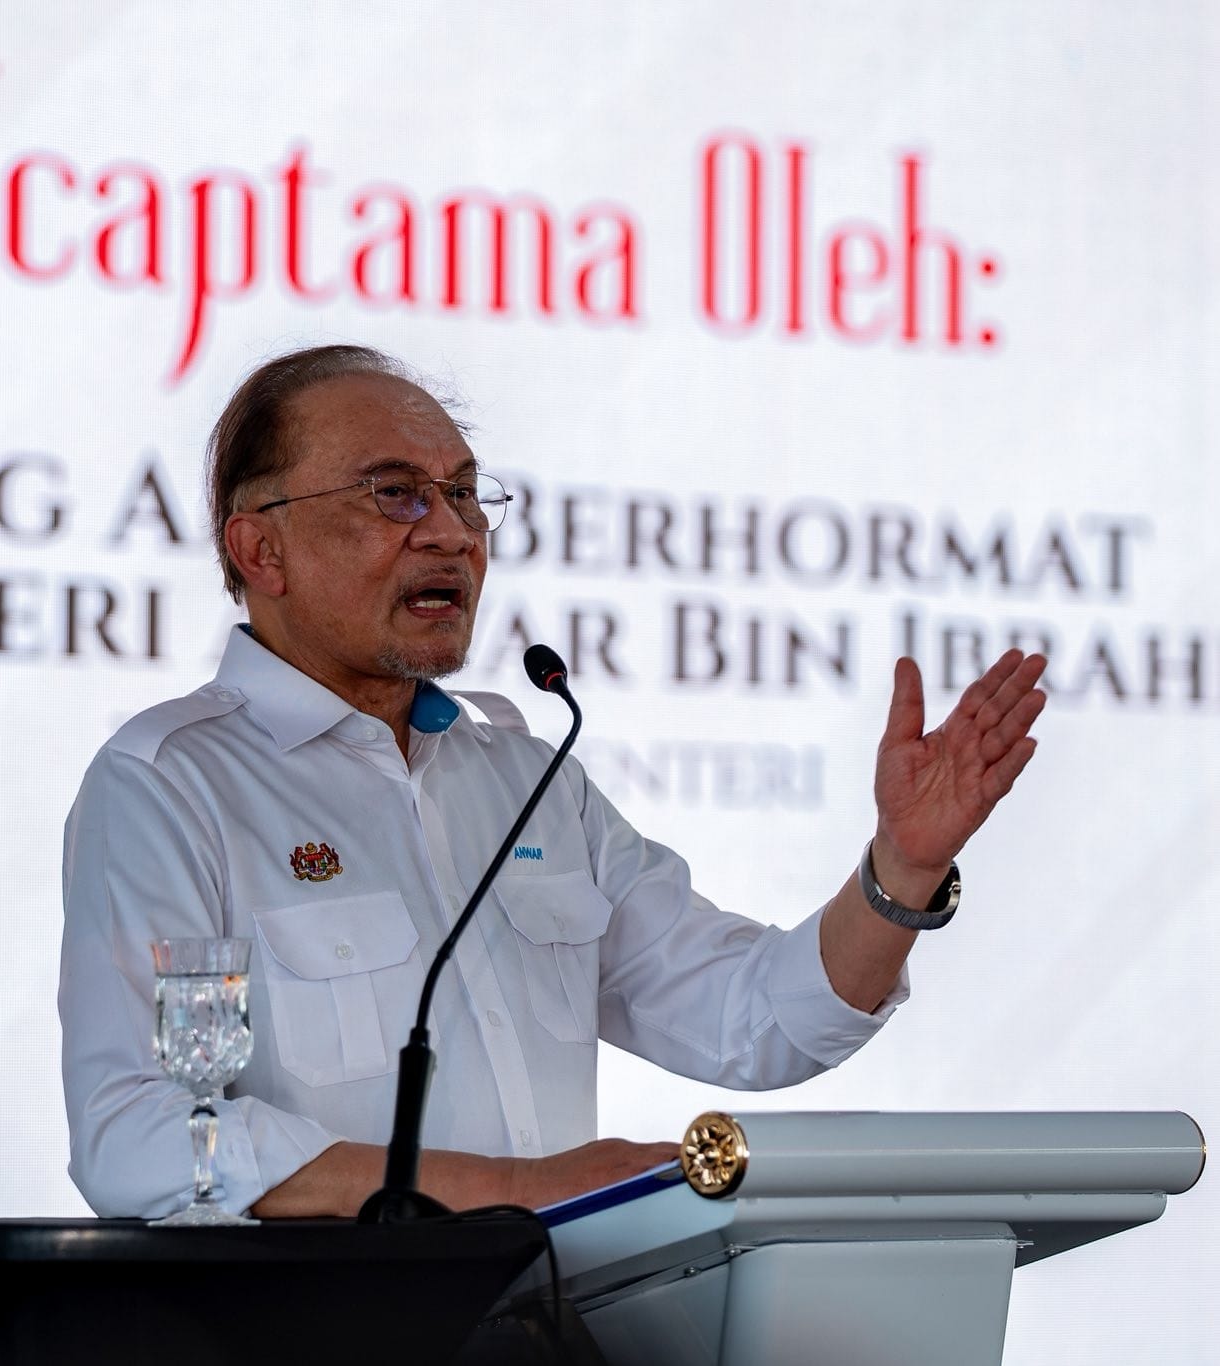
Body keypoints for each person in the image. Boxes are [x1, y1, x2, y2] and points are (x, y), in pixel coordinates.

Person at [59, 345, 1046, 1220]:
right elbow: (136, 1135)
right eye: (394, 494)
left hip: (549, 1327)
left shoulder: (525, 780)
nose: (450, 532)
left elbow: (752, 1017)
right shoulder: (170, 785)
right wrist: (515, 1191)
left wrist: (902, 869)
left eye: (463, 494)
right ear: (260, 548)